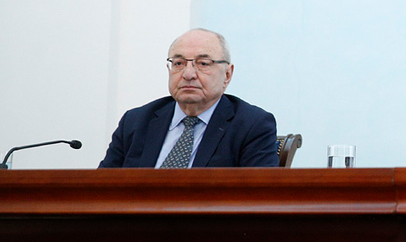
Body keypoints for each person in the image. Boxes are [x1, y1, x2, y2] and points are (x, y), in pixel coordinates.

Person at [100, 28, 279, 168]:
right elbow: (102, 189)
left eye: (203, 64)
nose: (188, 74)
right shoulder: (136, 121)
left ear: (227, 74)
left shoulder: (252, 125)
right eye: (179, 63)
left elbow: (257, 196)